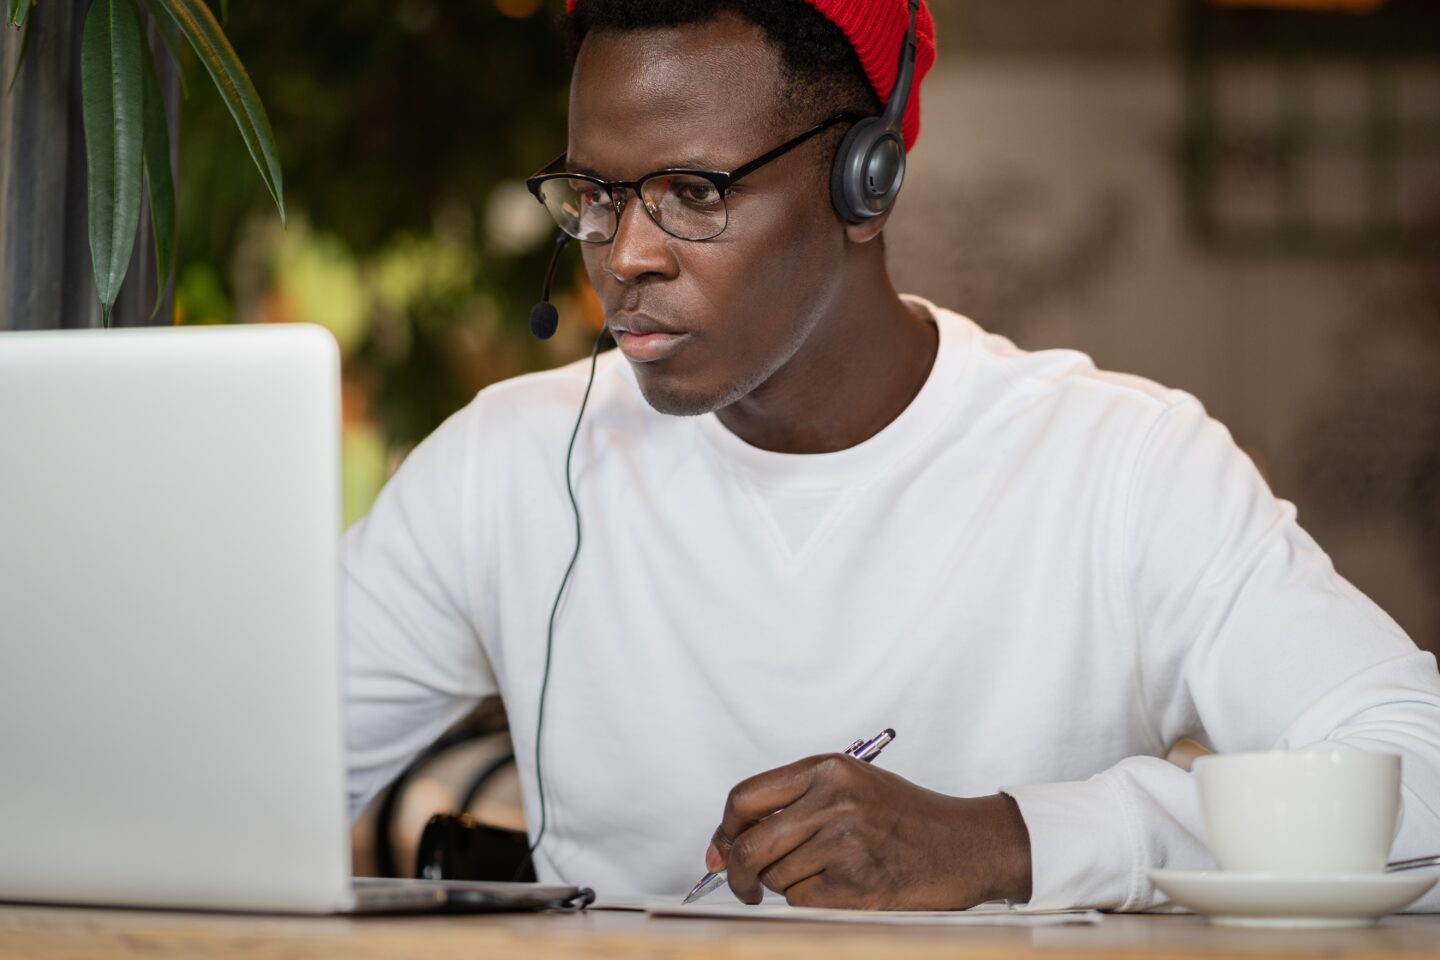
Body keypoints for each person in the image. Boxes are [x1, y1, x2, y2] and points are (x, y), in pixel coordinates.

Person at [341, 0, 1440, 911]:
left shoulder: (1125, 467)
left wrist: (1012, 841)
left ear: (867, 183)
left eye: (693, 193)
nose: (626, 257)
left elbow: (1422, 785)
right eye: (597, 197)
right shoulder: (503, 466)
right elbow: (220, 780)